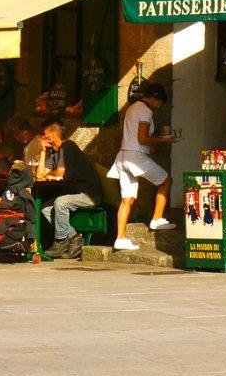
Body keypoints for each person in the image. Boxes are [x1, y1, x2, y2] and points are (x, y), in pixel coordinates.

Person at [108, 82, 174, 252]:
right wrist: (165, 140)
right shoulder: (145, 110)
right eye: (159, 102)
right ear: (154, 97)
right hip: (135, 156)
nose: (159, 107)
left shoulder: (132, 107)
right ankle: (157, 219)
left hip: (123, 155)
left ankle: (120, 238)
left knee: (127, 200)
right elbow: (142, 138)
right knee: (166, 181)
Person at [32, 119, 103, 259]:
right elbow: (40, 175)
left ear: (51, 136)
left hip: (89, 194)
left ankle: (61, 241)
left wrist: (51, 175)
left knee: (60, 202)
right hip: (76, 194)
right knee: (46, 208)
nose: (42, 138)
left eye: (44, 134)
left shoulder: (67, 146)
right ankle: (75, 238)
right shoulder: (54, 154)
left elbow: (60, 173)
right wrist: (43, 151)